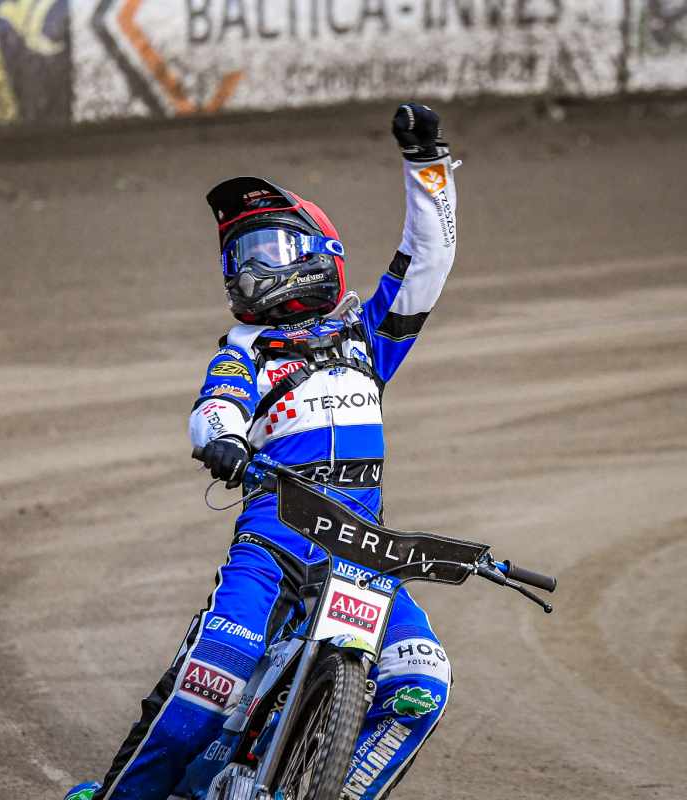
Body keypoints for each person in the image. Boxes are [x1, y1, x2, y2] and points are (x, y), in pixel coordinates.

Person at [67, 102, 458, 800]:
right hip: (273, 544)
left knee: (421, 681)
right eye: (238, 257)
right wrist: (220, 438)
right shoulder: (246, 349)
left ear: (318, 254)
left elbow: (429, 260)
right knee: (207, 682)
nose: (246, 270)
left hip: (360, 551)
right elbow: (215, 405)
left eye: (265, 251)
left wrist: (426, 163)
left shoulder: (368, 338)